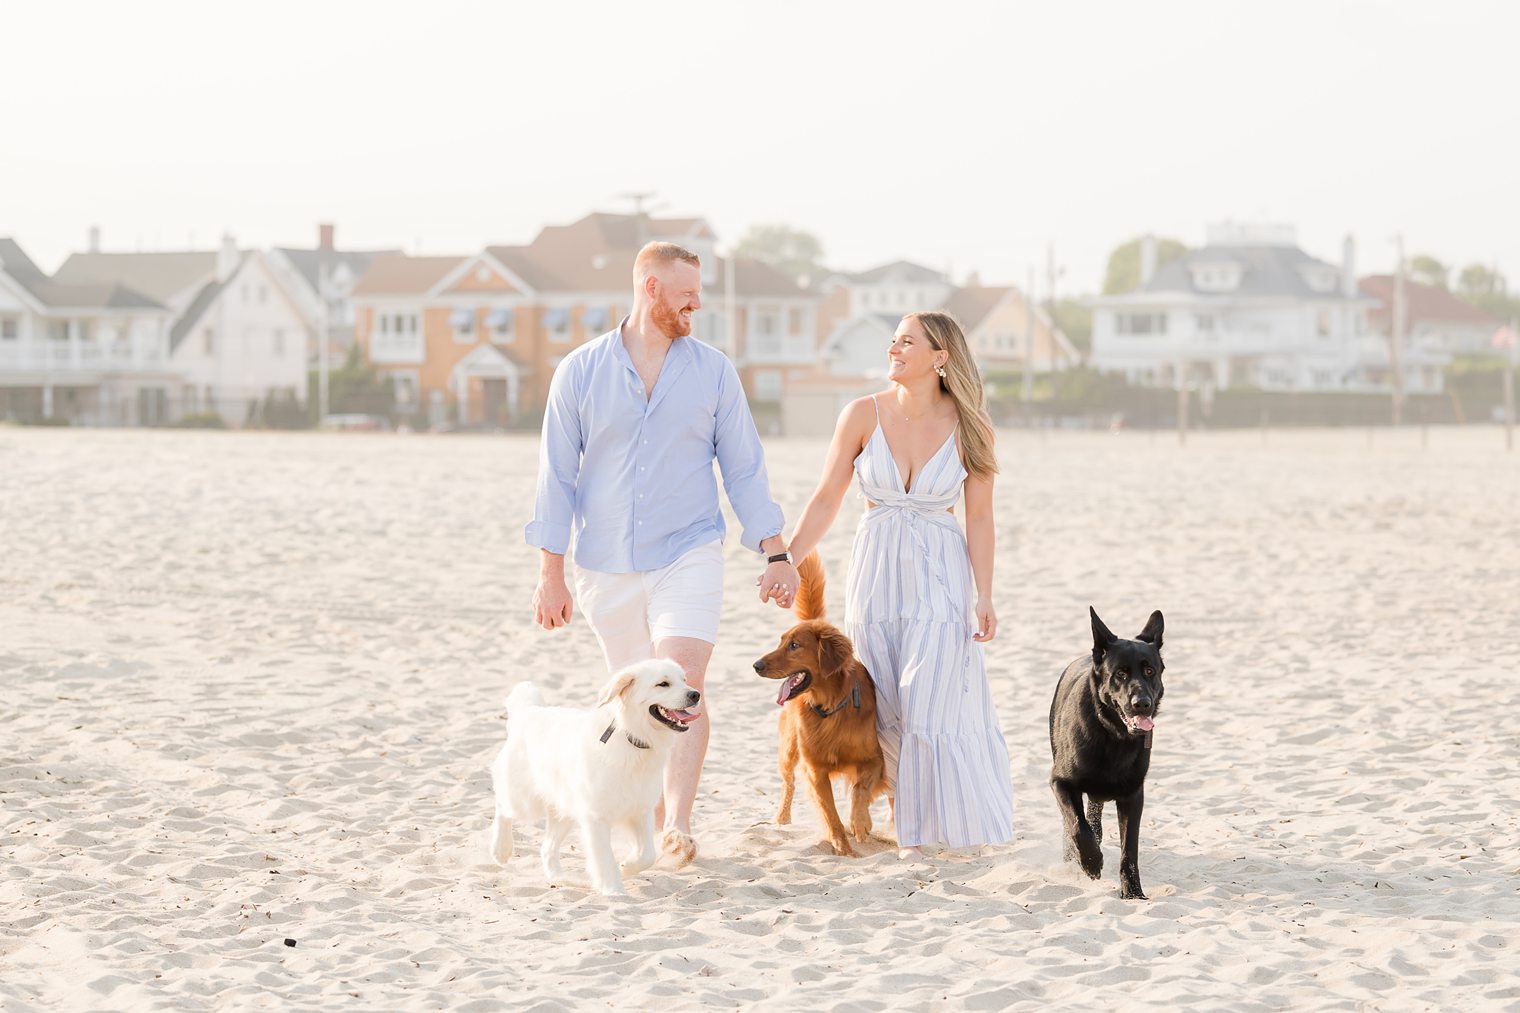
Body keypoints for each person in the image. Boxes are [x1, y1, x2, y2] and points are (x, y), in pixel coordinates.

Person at [525, 241, 799, 864]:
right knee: (636, 700)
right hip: (604, 561)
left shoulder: (713, 371)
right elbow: (555, 478)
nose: (696, 306)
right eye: (686, 295)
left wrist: (775, 552)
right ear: (649, 289)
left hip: (689, 549)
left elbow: (745, 469)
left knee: (684, 682)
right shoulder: (579, 371)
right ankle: (642, 823)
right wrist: (551, 573)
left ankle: (677, 822)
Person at [783, 310, 1013, 858]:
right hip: (876, 574)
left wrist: (984, 594)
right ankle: (907, 824)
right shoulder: (862, 414)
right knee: (884, 699)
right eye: (893, 340)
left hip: (940, 575)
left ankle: (927, 827)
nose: (894, 348)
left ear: (940, 356)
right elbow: (827, 497)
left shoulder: (972, 425)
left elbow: (979, 518)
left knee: (930, 699)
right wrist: (787, 560)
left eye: (906, 341)